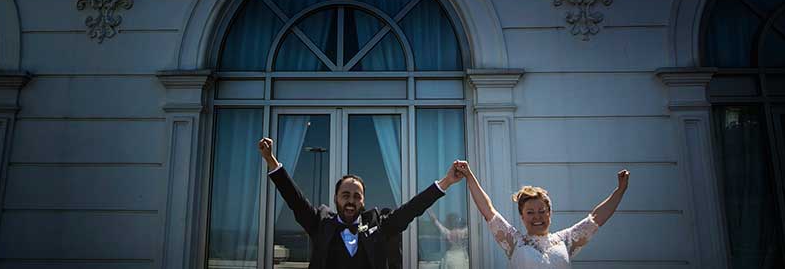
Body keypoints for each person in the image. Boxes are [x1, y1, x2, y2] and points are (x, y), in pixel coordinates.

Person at [258, 137, 466, 269]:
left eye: (357, 196)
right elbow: (295, 200)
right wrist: (271, 161)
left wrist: (446, 181)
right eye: (346, 195)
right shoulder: (320, 223)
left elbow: (412, 209)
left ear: (364, 201)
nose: (351, 201)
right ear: (336, 198)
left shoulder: (380, 225)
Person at [457, 161, 628, 268]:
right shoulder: (514, 241)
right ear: (522, 216)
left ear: (550, 213)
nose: (536, 217)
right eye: (530, 212)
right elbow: (489, 210)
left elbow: (596, 218)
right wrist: (469, 176)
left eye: (541, 211)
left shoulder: (566, 240)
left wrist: (620, 191)